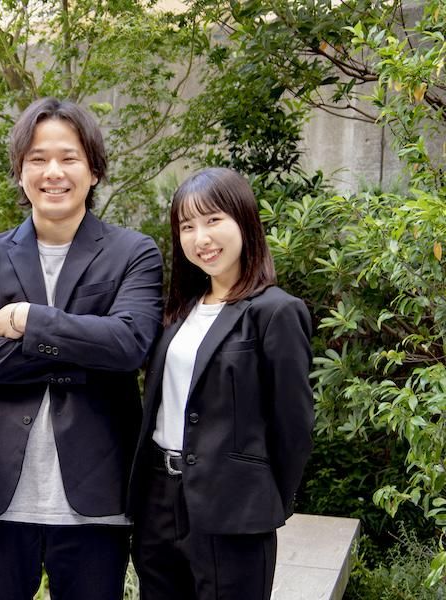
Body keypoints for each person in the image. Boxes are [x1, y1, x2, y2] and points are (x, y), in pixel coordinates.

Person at [0, 97, 163, 600]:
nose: (53, 172)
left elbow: (129, 344)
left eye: (69, 158)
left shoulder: (133, 252)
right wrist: (84, 352)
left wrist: (30, 319)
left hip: (97, 493)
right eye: (38, 159)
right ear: (20, 172)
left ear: (94, 170)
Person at [128, 167, 314, 600]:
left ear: (244, 220)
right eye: (187, 226)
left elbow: (294, 426)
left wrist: (261, 499)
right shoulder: (178, 311)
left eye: (213, 220)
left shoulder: (275, 311)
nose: (201, 238)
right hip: (159, 502)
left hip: (234, 509)